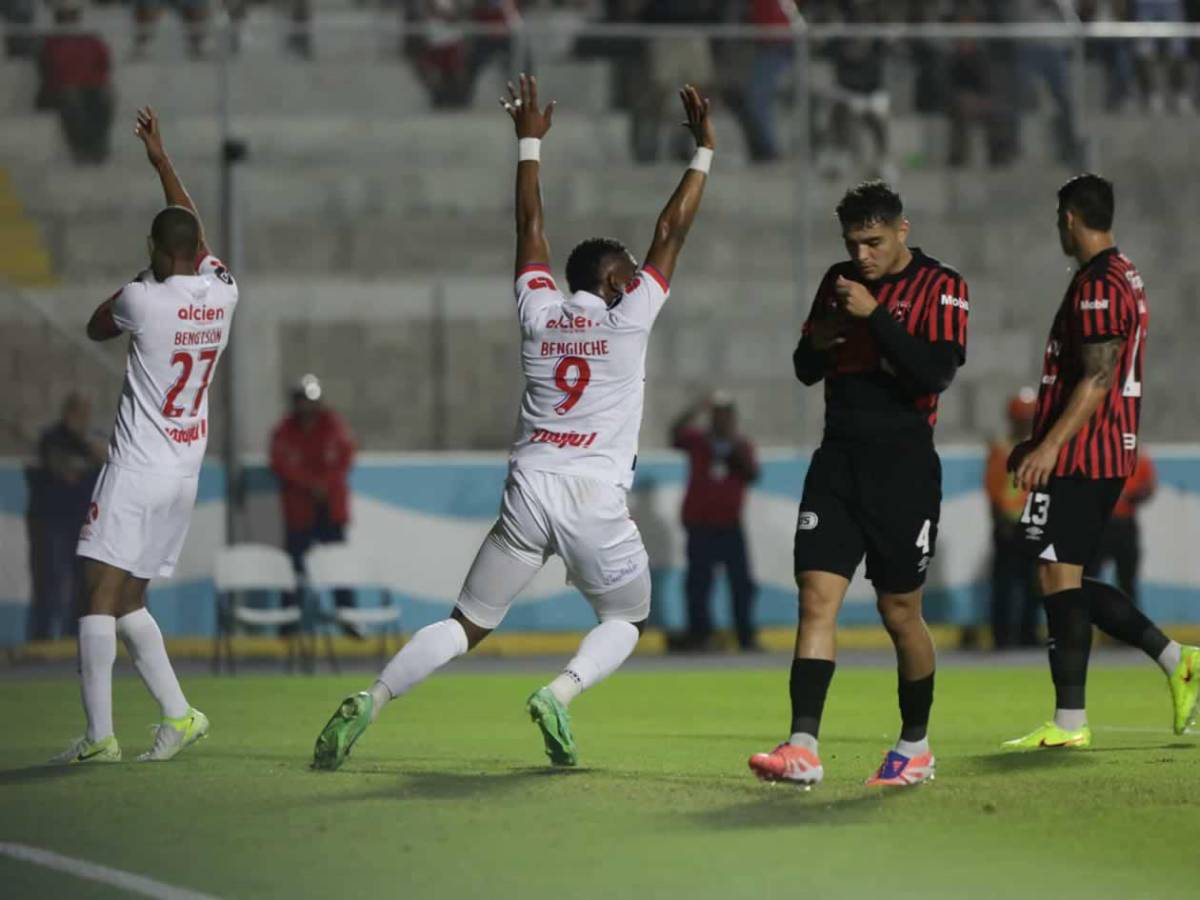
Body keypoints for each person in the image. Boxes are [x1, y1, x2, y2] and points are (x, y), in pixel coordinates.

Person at [312, 75, 714, 771]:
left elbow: (529, 227)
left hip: (528, 492)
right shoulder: (629, 321)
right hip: (593, 496)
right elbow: (671, 229)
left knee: (464, 623)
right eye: (625, 271)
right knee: (626, 619)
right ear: (618, 283)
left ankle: (373, 699)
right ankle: (560, 693)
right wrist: (703, 152)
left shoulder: (538, 312)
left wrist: (529, 141)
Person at [748, 180, 970, 788]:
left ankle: (915, 745)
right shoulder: (837, 280)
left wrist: (879, 318)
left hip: (903, 466)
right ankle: (802, 747)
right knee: (815, 600)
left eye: (873, 242)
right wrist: (816, 342)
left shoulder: (943, 286)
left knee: (900, 612)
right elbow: (804, 370)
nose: (863, 255)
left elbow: (935, 373)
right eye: (853, 243)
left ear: (902, 230)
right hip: (838, 461)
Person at [50, 107, 238, 765]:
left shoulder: (142, 298)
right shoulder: (223, 290)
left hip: (136, 467)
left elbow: (97, 325)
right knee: (130, 599)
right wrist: (162, 162)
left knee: (96, 593)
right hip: (183, 472)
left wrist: (135, 283)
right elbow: (192, 229)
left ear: (158, 252)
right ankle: (180, 715)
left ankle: (100, 737)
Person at [1004, 174, 1199, 751]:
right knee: (1057, 576)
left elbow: (1095, 378)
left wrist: (1049, 446)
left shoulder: (1098, 284)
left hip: (1088, 453)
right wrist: (1037, 438)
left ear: (1069, 218)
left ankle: (1072, 721)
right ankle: (1174, 661)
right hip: (1094, 449)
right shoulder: (1123, 274)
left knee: (1057, 576)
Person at [670, 392, 760, 651]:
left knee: (741, 584)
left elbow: (752, 474)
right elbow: (675, 432)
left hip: (730, 525)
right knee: (699, 583)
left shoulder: (741, 445)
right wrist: (696, 406)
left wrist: (733, 448)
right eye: (717, 414)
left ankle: (745, 636)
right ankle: (700, 635)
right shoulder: (698, 441)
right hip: (700, 524)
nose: (721, 420)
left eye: (726, 415)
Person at [269, 374, 357, 629]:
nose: (306, 407)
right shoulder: (285, 430)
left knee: (339, 566)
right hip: (300, 511)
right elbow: (281, 464)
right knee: (294, 569)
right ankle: (288, 622)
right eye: (301, 401)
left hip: (330, 509)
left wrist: (324, 485)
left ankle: (348, 616)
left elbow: (344, 459)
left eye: (311, 401)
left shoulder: (333, 426)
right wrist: (311, 484)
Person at [26, 393, 105, 641]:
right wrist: (88, 453)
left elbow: (103, 463)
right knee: (50, 582)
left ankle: (74, 635)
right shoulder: (53, 439)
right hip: (53, 524)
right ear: (69, 413)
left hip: (82, 524)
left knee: (83, 583)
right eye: (80, 413)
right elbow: (64, 471)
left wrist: (94, 451)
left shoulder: (91, 442)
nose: (84, 419)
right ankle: (42, 638)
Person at [985, 388, 1040, 649]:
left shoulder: (1043, 448)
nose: (1025, 422)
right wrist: (999, 520)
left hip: (1034, 522)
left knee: (1034, 584)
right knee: (1004, 584)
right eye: (1022, 417)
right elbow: (994, 487)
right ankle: (1002, 636)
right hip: (1008, 524)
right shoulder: (1003, 448)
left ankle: (1029, 634)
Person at [38, 1, 114, 165]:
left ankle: (98, 145)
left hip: (89, 85)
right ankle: (83, 147)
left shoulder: (90, 39)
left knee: (106, 98)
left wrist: (99, 82)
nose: (69, 18)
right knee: (72, 99)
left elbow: (104, 63)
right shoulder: (50, 42)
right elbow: (50, 71)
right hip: (61, 88)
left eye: (72, 14)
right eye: (65, 15)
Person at [1084, 452, 1156, 607]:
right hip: (1098, 525)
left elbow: (1149, 488)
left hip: (1124, 524)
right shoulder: (1094, 456)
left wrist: (1130, 495)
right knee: (1090, 578)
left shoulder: (1139, 459)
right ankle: (1088, 623)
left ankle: (1128, 626)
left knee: (1127, 581)